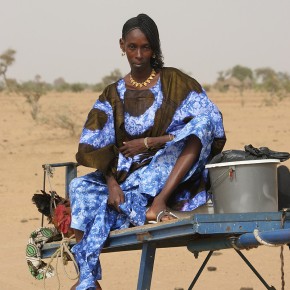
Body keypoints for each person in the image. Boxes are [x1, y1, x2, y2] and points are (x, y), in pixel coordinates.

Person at [69, 13, 226, 290]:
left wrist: (151, 143)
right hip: (125, 175)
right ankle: (87, 279)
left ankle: (157, 205)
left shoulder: (176, 82)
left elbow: (211, 120)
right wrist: (111, 182)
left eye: (145, 47)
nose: (139, 54)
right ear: (122, 45)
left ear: (154, 48)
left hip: (166, 165)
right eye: (132, 47)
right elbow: (94, 142)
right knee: (80, 186)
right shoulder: (112, 94)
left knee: (203, 124)